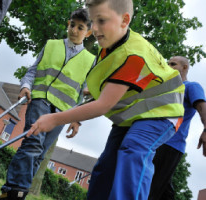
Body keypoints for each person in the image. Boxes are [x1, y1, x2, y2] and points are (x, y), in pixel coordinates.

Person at [26, 0, 185, 199]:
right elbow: (115, 86)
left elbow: (104, 105)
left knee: (134, 149)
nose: (96, 28)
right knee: (105, 166)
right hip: (134, 115)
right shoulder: (111, 42)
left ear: (124, 20)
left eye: (102, 21)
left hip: (162, 113)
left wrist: (54, 119)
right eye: (93, 21)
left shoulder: (133, 54)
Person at [0, 8, 95, 200]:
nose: (74, 30)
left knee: (39, 154)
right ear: (68, 24)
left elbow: (80, 94)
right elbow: (32, 71)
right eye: (72, 25)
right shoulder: (51, 45)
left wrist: (77, 120)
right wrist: (25, 86)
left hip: (62, 112)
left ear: (88, 32)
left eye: (80, 27)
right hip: (40, 99)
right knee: (33, 143)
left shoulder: (90, 60)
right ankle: (16, 194)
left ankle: (10, 192)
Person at [148, 56, 206, 200]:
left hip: (170, 145)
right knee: (163, 190)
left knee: (150, 190)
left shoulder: (191, 86)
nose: (169, 66)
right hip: (151, 143)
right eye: (167, 64)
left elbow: (202, 108)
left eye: (173, 64)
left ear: (185, 67)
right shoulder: (162, 89)